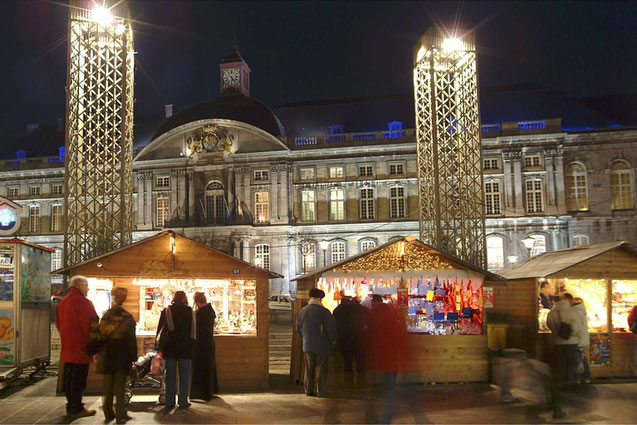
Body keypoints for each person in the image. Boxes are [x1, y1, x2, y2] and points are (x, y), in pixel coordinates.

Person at [55, 275, 99, 418]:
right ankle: (76, 408)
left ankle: (71, 406)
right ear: (80, 286)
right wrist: (95, 345)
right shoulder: (84, 303)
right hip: (81, 348)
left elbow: (58, 323)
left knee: (70, 378)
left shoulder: (63, 303)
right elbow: (90, 326)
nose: (88, 289)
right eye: (87, 286)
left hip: (67, 347)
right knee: (79, 380)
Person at [95, 288, 137, 424]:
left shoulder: (107, 315)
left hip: (107, 354)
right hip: (122, 355)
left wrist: (98, 351)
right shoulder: (127, 317)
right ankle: (120, 414)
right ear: (124, 298)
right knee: (120, 387)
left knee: (107, 386)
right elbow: (131, 340)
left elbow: (100, 335)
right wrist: (133, 358)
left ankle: (108, 413)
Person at [366, 294, 408, 423]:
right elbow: (400, 341)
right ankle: (385, 418)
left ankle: (377, 418)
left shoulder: (373, 320)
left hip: (378, 361)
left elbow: (370, 340)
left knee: (378, 391)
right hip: (391, 361)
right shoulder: (392, 321)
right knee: (389, 390)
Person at [157, 291, 196, 409]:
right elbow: (193, 332)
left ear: (174, 298)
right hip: (185, 348)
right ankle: (183, 400)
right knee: (184, 376)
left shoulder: (166, 311)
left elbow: (160, 331)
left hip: (170, 348)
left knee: (170, 376)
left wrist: (160, 348)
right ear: (185, 298)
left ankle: (169, 401)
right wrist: (192, 347)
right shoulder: (190, 312)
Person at [546, 295, 583, 418]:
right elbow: (578, 328)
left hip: (558, 342)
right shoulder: (572, 312)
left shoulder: (552, 312)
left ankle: (560, 378)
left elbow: (549, 324)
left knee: (559, 364)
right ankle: (569, 381)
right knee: (571, 363)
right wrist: (577, 337)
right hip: (571, 342)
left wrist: (557, 333)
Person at [296, 288, 337, 397]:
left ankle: (308, 390)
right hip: (322, 344)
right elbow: (330, 328)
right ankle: (320, 391)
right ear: (320, 298)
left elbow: (298, 328)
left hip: (307, 344)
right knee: (321, 368)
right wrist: (333, 340)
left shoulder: (302, 311)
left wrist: (305, 338)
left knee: (309, 368)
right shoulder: (324, 312)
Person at [332, 294, 369, 390]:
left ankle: (349, 384)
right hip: (360, 340)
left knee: (347, 364)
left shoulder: (337, 310)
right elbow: (367, 324)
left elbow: (335, 326)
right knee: (361, 363)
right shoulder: (361, 309)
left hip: (345, 341)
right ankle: (362, 384)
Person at [190, 292, 218, 400]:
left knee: (200, 369)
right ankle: (209, 391)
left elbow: (197, 330)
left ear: (197, 301)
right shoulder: (209, 311)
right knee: (208, 368)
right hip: (209, 343)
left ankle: (201, 393)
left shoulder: (201, 313)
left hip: (201, 345)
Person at [569, 296, 591, 383]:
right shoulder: (581, 311)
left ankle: (579, 377)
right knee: (582, 358)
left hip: (577, 339)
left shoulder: (575, 312)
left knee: (578, 359)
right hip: (582, 338)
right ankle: (586, 377)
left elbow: (576, 328)